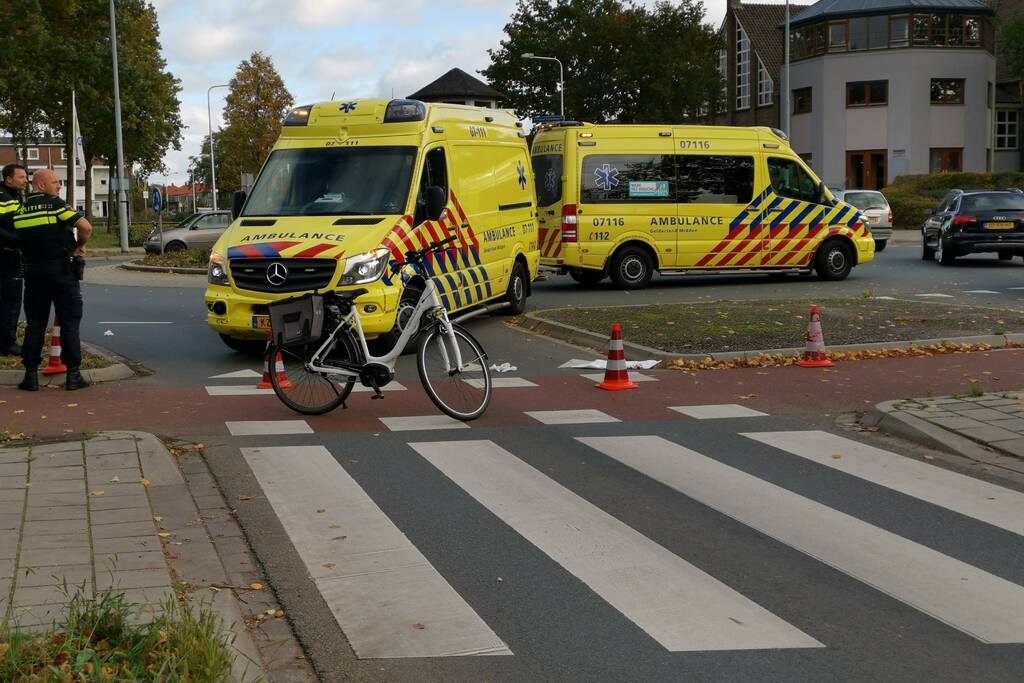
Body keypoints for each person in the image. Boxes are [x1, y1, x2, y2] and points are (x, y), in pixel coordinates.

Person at [15, 169, 92, 391]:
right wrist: (79, 247)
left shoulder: (20, 210)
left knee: (35, 324)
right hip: (61, 272)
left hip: (33, 274)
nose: (59, 186)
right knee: (69, 320)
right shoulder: (55, 204)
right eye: (55, 182)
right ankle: (73, 374)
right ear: (41, 186)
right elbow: (85, 227)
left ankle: (30, 375)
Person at [0, 164, 28, 356]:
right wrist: (19, 240)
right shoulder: (3, 197)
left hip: (11, 255)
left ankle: (6, 340)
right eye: (22, 177)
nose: (26, 180)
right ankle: (7, 343)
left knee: (10, 300)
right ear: (9, 179)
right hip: (5, 256)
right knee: (10, 300)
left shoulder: (14, 196)